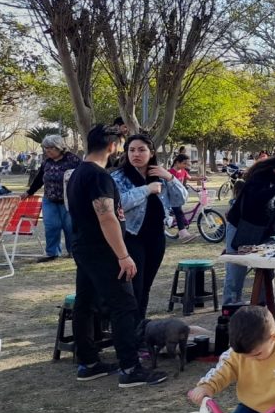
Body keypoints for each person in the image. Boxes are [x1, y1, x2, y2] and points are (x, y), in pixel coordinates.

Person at [66, 124, 167, 387]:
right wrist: (123, 255)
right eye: (122, 144)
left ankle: (88, 363)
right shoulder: (99, 176)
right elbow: (107, 216)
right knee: (124, 305)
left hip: (84, 247)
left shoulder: (78, 173)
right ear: (113, 146)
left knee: (85, 303)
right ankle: (130, 368)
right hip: (103, 251)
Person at [111, 134, 188, 319]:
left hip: (156, 237)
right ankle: (130, 332)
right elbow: (119, 203)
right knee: (134, 287)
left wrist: (169, 177)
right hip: (131, 236)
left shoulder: (159, 175)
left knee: (145, 286)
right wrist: (147, 189)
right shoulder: (118, 177)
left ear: (151, 152)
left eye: (141, 150)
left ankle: (140, 328)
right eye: (131, 150)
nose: (136, 154)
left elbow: (180, 199)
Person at [222, 144, 275, 305]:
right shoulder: (262, 174)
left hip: (267, 230)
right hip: (242, 225)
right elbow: (254, 201)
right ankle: (230, 310)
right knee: (236, 271)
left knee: (267, 271)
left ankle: (264, 311)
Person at [22, 133, 81, 260]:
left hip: (69, 200)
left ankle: (73, 251)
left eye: (50, 148)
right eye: (45, 148)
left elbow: (82, 177)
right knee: (51, 226)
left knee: (70, 226)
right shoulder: (46, 162)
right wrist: (29, 192)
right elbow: (39, 179)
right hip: (49, 200)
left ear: (59, 147)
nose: (47, 150)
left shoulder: (73, 160)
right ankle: (52, 253)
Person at [168, 153, 195, 242]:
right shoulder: (169, 172)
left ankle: (179, 228)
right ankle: (183, 234)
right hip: (171, 198)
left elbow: (190, 178)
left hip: (179, 197)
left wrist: (201, 178)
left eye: (186, 164)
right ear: (177, 162)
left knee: (179, 213)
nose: (185, 166)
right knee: (179, 213)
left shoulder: (183, 171)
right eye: (184, 163)